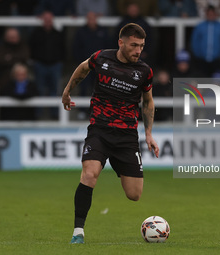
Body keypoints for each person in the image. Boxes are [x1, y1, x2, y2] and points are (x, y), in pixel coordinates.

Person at [61, 23, 159, 244]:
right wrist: (67, 91)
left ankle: (116, 162)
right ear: (121, 43)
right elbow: (83, 68)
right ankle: (78, 232)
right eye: (134, 45)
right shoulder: (101, 59)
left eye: (141, 46)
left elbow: (148, 101)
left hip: (126, 136)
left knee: (134, 195)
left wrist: (149, 134)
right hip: (100, 130)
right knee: (89, 174)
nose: (138, 50)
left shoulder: (144, 71)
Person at [191, 5, 220, 77]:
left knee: (216, 82)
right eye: (209, 14)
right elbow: (195, 41)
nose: (211, 16)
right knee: (203, 80)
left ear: (216, 14)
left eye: (212, 14)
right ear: (206, 14)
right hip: (202, 60)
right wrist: (197, 54)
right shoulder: (200, 26)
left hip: (217, 60)